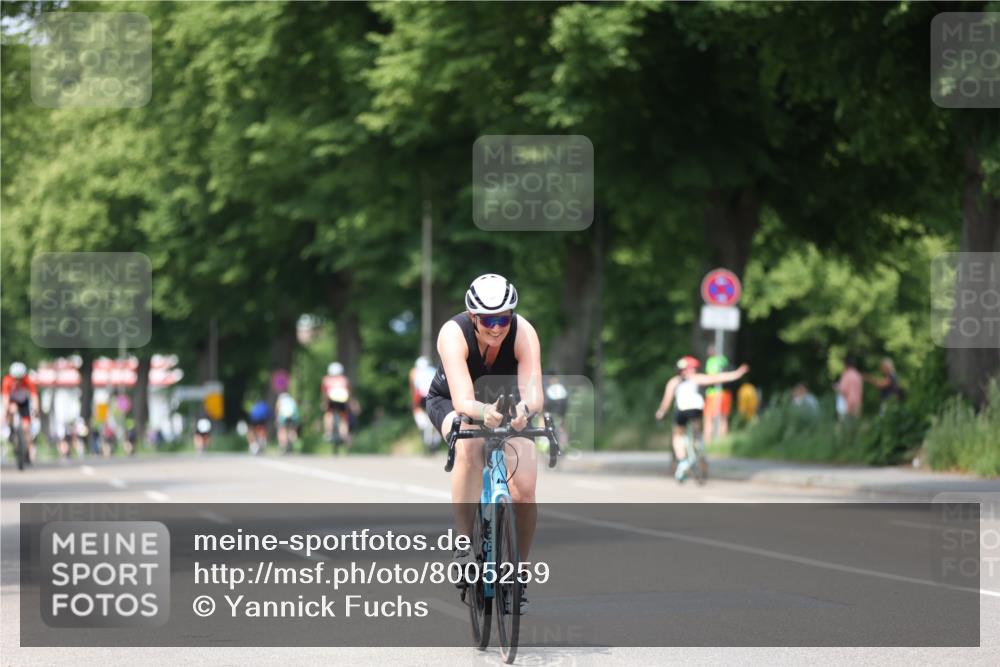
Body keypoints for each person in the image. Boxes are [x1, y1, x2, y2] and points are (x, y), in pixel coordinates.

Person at [425, 274, 543, 608]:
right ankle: (463, 543)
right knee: (470, 445)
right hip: (453, 401)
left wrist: (523, 411)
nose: (496, 328)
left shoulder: (524, 332)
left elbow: (534, 394)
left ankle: (518, 571)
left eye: (503, 319)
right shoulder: (453, 333)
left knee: (525, 487)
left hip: (505, 404)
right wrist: (482, 412)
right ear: (472, 316)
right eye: (488, 320)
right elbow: (463, 400)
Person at [655, 356, 749, 482]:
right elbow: (717, 378)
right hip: (696, 409)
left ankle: (682, 461)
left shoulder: (674, 381)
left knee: (677, 435)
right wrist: (737, 374)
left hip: (681, 410)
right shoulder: (696, 378)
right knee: (697, 430)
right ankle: (698, 443)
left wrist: (661, 413)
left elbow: (666, 401)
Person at [2, 362, 39, 464]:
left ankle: (27, 451)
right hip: (12, 402)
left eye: (19, 379)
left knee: (26, 428)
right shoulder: (7, 381)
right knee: (11, 409)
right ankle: (11, 429)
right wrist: (6, 411)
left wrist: (36, 409)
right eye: (15, 378)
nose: (17, 381)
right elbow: (5, 398)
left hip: (23, 403)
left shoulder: (28, 380)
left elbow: (34, 396)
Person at [703, 344, 733, 443]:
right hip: (726, 393)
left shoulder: (711, 361)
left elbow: (711, 377)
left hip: (713, 394)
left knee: (708, 418)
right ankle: (722, 442)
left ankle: (707, 442)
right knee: (723, 418)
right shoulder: (724, 359)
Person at [409, 356, 439, 451]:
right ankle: (433, 436)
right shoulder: (433, 370)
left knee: (418, 410)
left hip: (421, 396)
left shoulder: (414, 372)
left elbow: (414, 389)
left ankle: (423, 426)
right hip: (433, 396)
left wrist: (414, 403)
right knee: (433, 417)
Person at [321, 362, 352, 449]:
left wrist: (324, 403)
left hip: (331, 400)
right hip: (343, 400)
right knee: (343, 418)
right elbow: (349, 392)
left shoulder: (326, 379)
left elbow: (324, 393)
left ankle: (328, 432)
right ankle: (344, 434)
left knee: (328, 414)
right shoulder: (344, 379)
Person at [835, 355, 863, 419]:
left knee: (844, 423)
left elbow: (843, 389)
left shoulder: (846, 374)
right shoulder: (858, 375)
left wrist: (837, 387)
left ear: (846, 364)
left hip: (847, 404)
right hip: (857, 403)